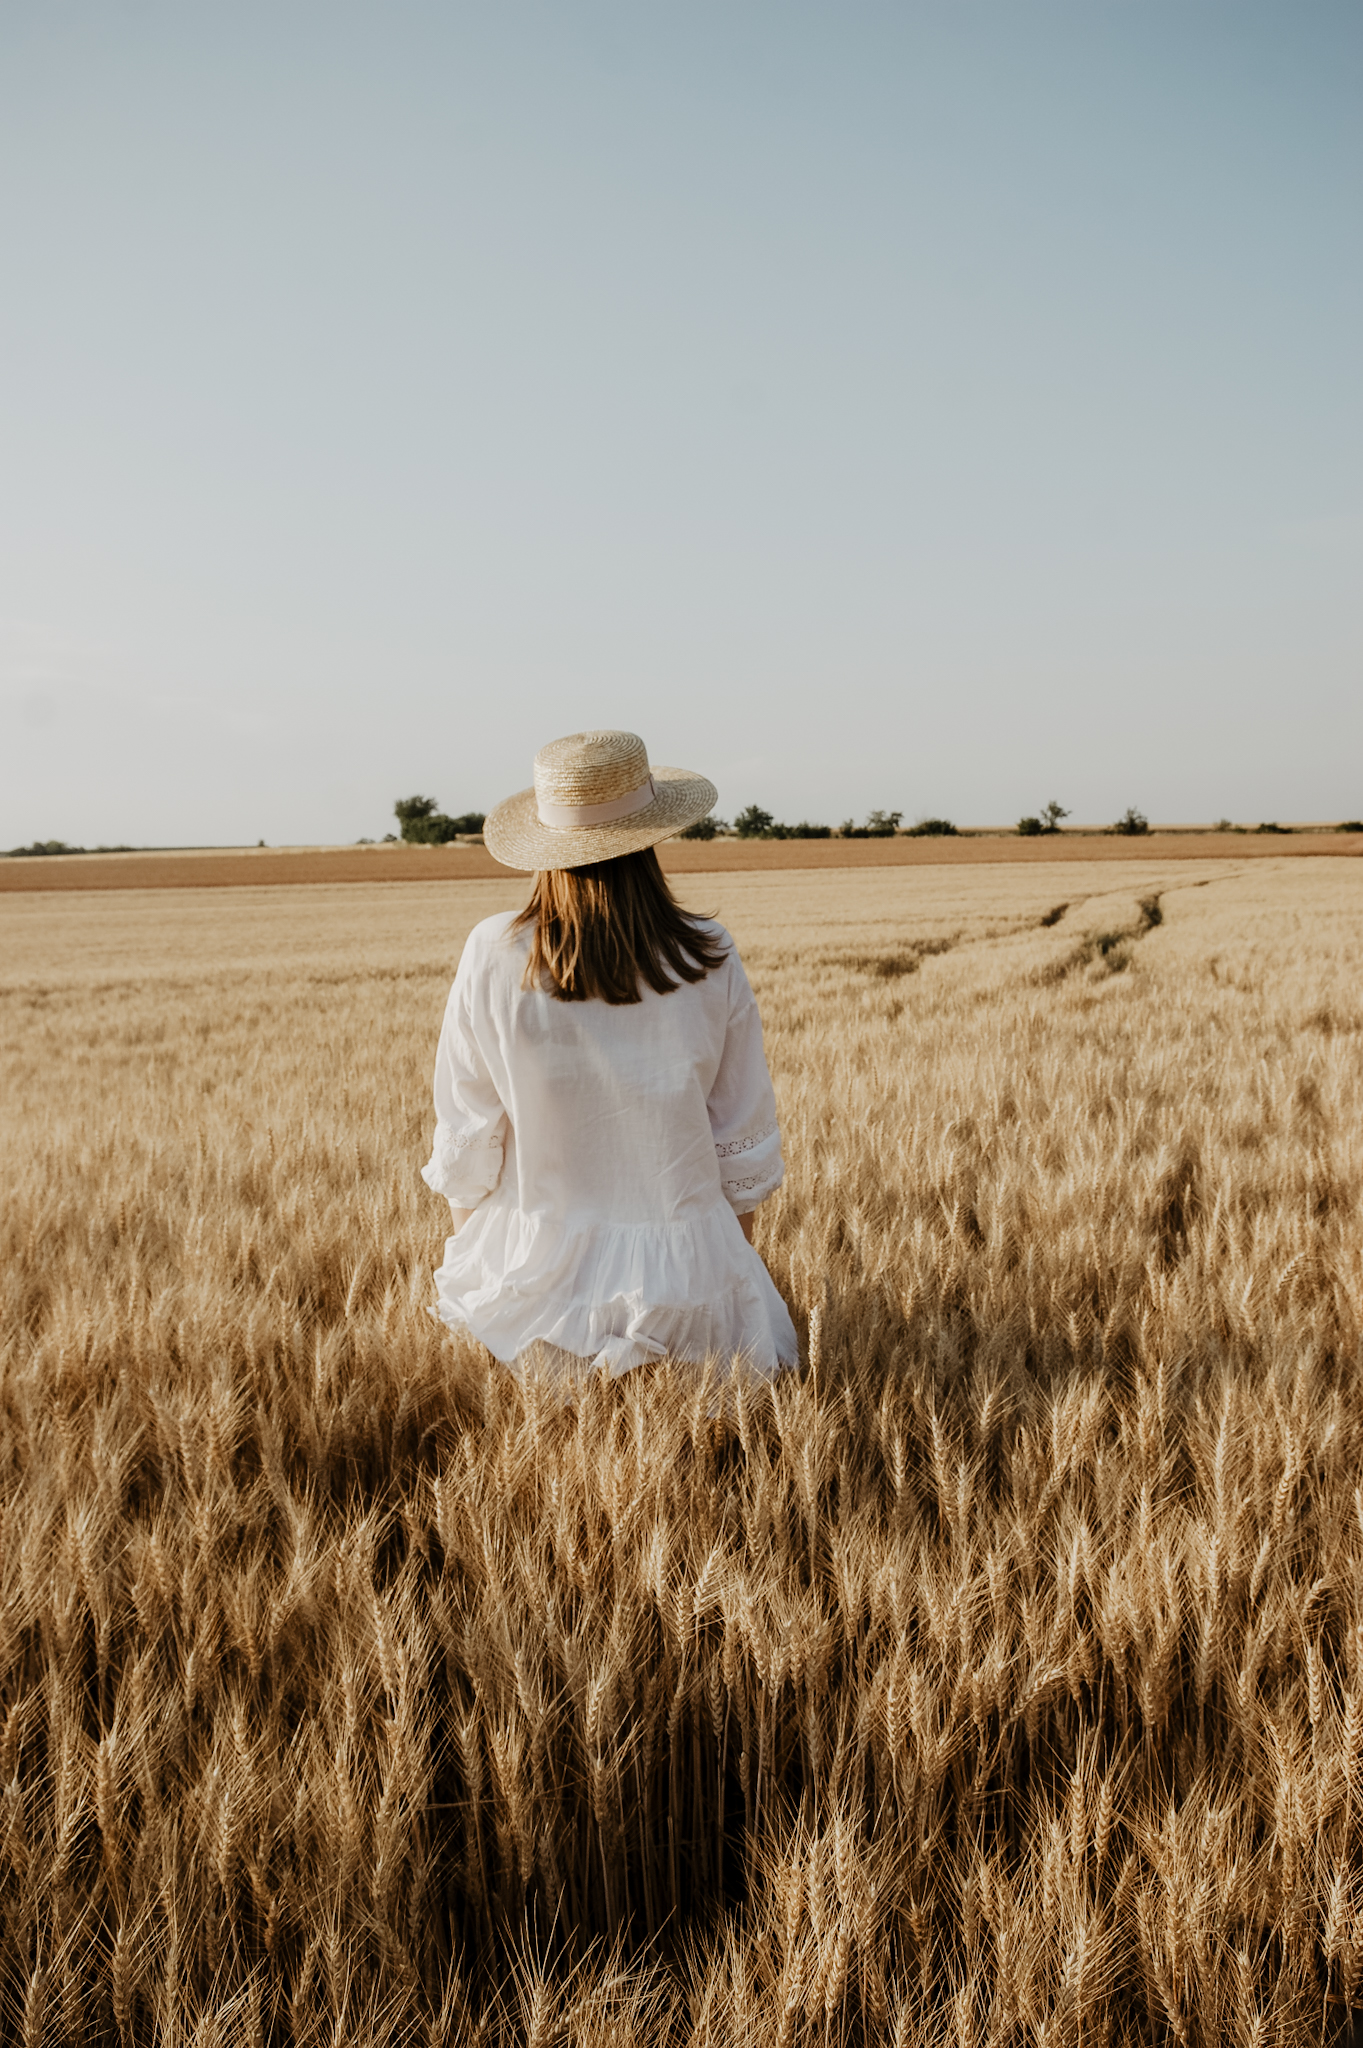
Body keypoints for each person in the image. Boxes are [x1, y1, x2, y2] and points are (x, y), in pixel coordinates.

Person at [421, 728, 799, 1386]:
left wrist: (483, 1274)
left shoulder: (492, 951)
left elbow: (468, 1137)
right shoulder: (707, 953)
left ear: (545, 846)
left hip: (532, 1270)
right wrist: (718, 1277)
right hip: (688, 1267)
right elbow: (739, 1138)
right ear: (651, 837)